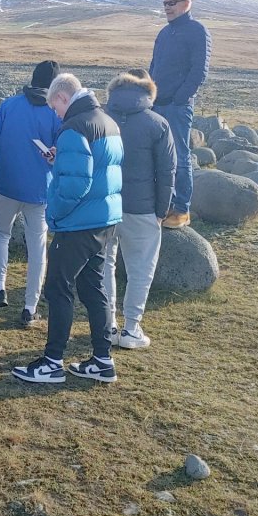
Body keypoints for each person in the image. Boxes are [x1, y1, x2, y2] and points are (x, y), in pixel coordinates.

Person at [12, 74, 123, 384]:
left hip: (77, 223)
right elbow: (102, 170)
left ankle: (52, 361)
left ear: (63, 98)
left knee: (58, 288)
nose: (55, 114)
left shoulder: (74, 127)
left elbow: (76, 184)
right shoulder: (107, 122)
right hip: (105, 220)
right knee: (92, 287)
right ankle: (102, 359)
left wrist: (55, 215)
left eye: (55, 107)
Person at [0, 60, 62, 325]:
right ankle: (30, 306)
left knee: (1, 233)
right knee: (38, 246)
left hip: (7, 184)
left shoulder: (9, 105)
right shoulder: (56, 114)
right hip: (40, 190)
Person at [103, 69, 176, 349]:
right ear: (148, 92)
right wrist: (161, 210)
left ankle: (107, 324)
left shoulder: (102, 117)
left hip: (105, 205)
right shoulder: (158, 124)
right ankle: (131, 327)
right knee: (140, 269)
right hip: (143, 207)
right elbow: (167, 171)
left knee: (105, 264)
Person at [149, 0, 211, 228]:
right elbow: (154, 66)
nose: (167, 7)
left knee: (181, 157)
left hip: (177, 106)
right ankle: (166, 205)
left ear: (186, 4)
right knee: (161, 157)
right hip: (157, 104)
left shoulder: (197, 31)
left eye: (171, 3)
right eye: (165, 3)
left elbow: (199, 71)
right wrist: (149, 93)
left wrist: (180, 98)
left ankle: (182, 210)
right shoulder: (164, 33)